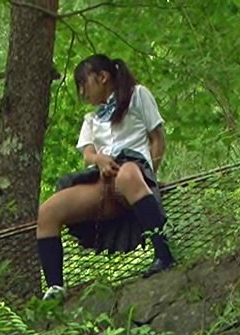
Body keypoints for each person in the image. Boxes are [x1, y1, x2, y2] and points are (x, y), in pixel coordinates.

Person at [36, 54, 177, 301]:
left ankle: (164, 255)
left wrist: (151, 177)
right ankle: (55, 287)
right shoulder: (91, 119)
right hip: (102, 180)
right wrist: (99, 159)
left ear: (102, 77)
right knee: (47, 211)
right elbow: (88, 154)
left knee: (129, 174)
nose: (82, 93)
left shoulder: (138, 95)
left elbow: (158, 139)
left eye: (84, 84)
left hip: (134, 172)